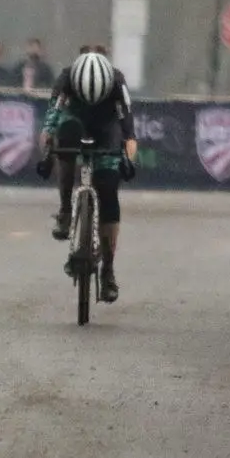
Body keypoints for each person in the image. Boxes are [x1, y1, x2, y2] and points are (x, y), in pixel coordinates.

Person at [36, 51, 137, 304]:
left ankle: (108, 271)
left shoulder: (116, 82)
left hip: (107, 126)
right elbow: (51, 118)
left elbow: (128, 126)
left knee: (108, 190)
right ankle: (65, 209)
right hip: (75, 118)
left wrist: (128, 152)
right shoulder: (66, 79)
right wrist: (48, 143)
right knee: (64, 137)